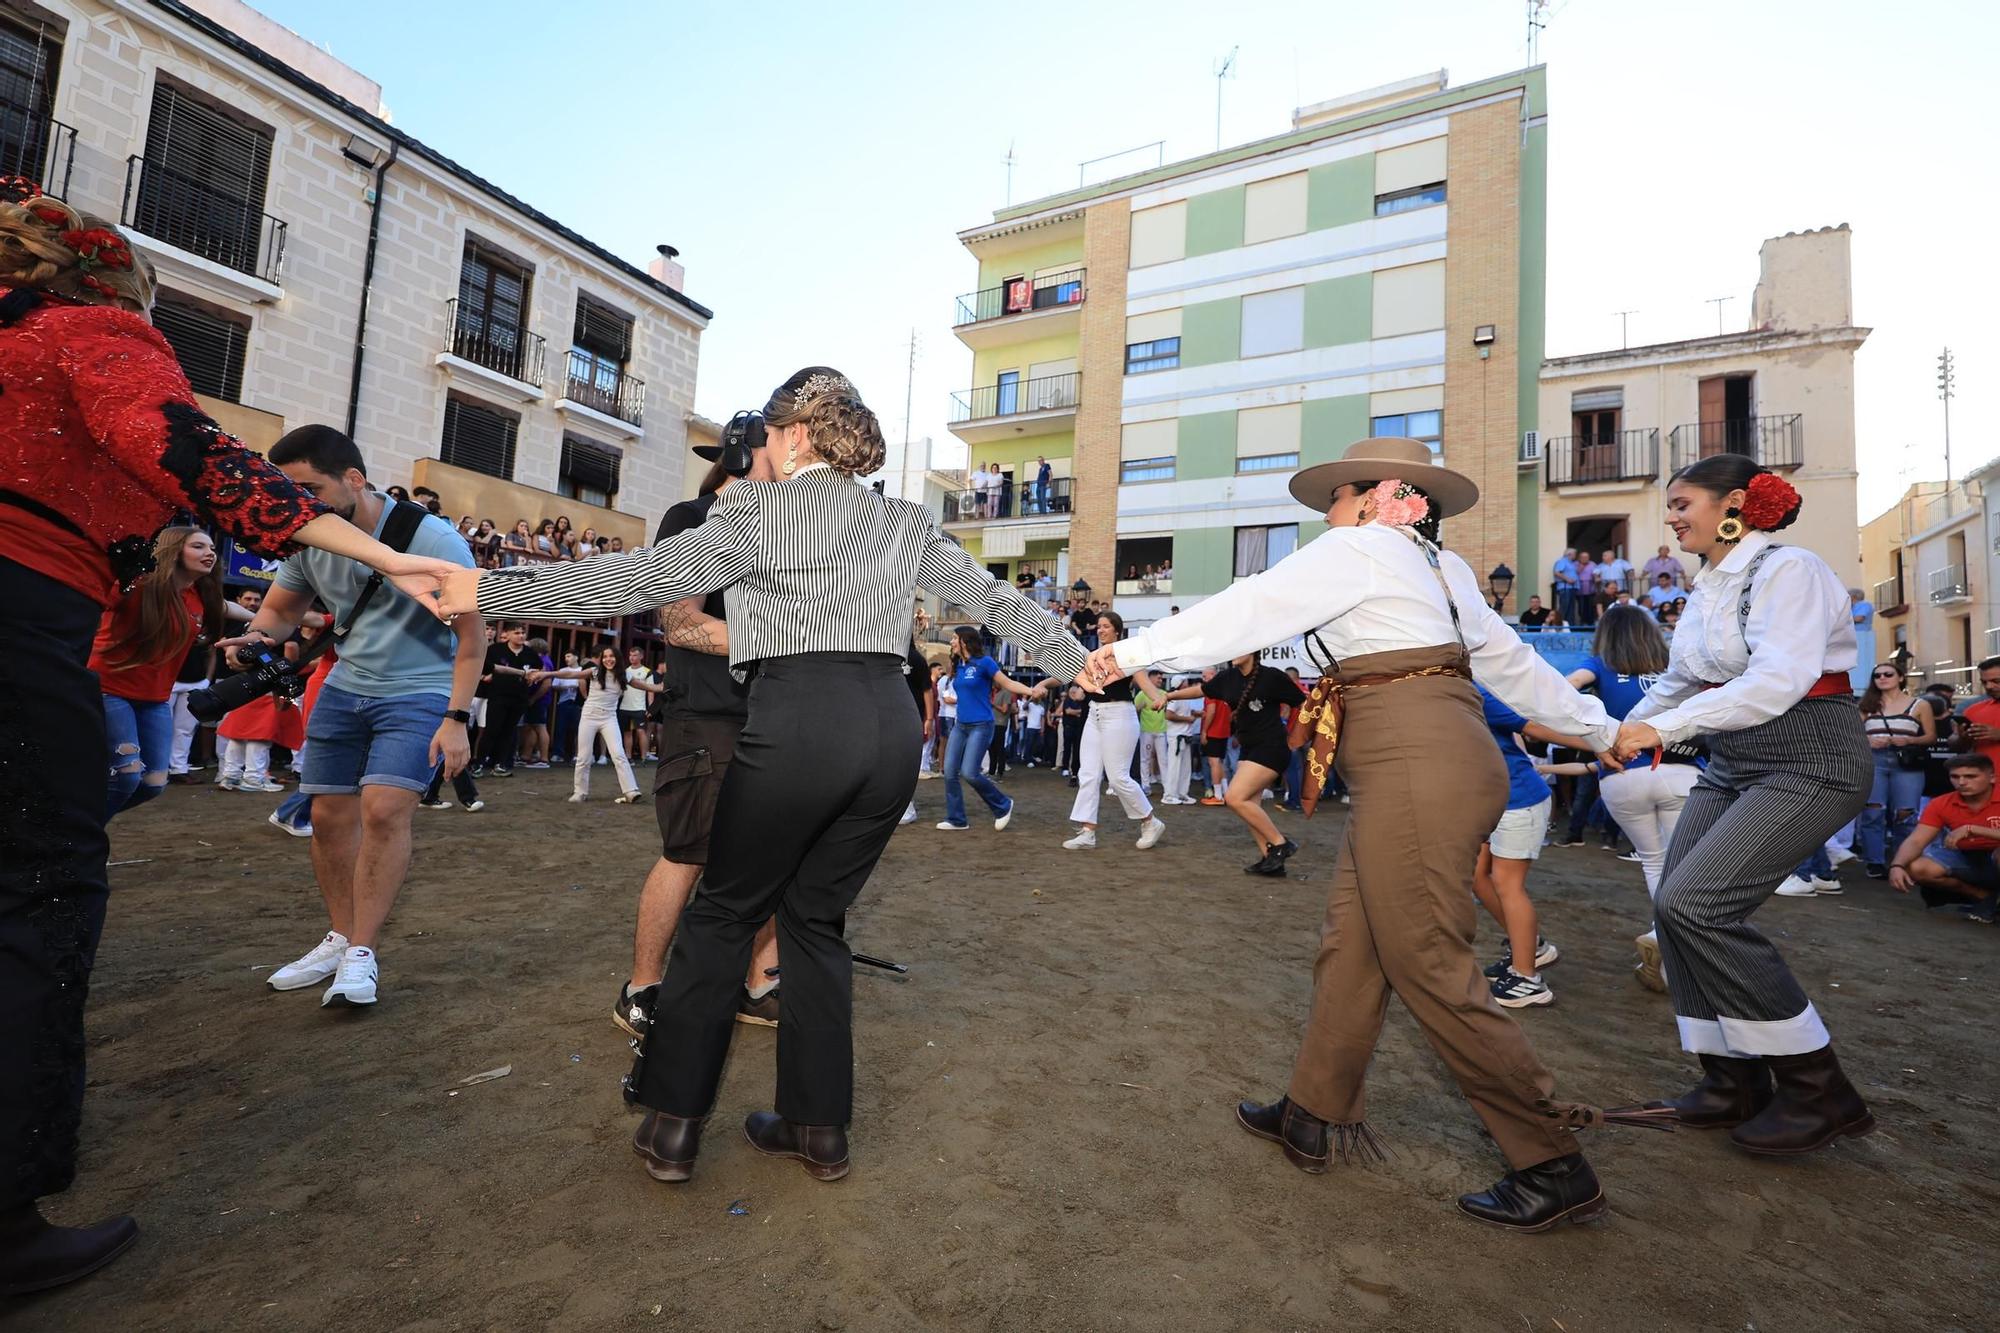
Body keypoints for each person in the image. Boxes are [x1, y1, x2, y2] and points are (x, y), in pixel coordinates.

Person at [425, 366, 1091, 1184]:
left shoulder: (754, 512)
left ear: (796, 436)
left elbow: (636, 579)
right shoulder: (906, 520)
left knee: (724, 914)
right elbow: (994, 601)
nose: (761, 452)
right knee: (815, 922)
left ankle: (673, 1126)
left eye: (770, 437)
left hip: (800, 715)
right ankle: (820, 1131)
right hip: (887, 726)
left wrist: (486, 586)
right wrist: (1079, 659)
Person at [0, 178, 447, 1294]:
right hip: (16, 620)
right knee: (35, 891)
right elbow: (204, 462)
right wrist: (385, 558)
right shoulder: (84, 334)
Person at [1087, 436, 1624, 1232]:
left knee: (1429, 961)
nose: (1326, 513)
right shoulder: (1443, 569)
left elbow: (1252, 604)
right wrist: (1599, 725)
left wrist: (1129, 652)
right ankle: (1313, 1110)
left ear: (1379, 496)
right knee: (1356, 943)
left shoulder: (1363, 547)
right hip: (1436, 753)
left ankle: (1551, 1156)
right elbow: (1512, 666)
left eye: (1337, 496)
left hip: (1413, 758)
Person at [1607, 453, 1874, 1157]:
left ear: (1734, 502)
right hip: (1734, 763)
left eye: (1681, 501)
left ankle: (1822, 1091)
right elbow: (1676, 682)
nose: (1671, 515)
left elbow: (1778, 680)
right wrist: (1611, 732)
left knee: (1699, 903)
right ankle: (1732, 1082)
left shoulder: (1791, 570)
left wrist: (1658, 731)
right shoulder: (1708, 588)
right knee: (1673, 907)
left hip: (1812, 758)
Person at [226, 425, 483, 1016]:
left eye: (308, 487)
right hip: (343, 688)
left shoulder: (436, 539)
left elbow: (472, 638)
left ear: (354, 480)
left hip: (419, 691)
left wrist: (457, 717)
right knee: (326, 817)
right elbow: (281, 611)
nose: (298, 502)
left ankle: (363, 952)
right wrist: (256, 640)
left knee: (386, 809)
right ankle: (341, 937)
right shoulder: (309, 537)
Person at [614, 448, 784, 1041]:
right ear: (747, 456)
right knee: (689, 852)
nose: (795, 459)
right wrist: (785, 638)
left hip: (766, 714)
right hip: (705, 717)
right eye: (783, 446)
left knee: (768, 857)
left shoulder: (786, 526)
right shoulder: (690, 517)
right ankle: (641, 988)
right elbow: (679, 622)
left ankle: (760, 983)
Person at [1568, 606, 1695, 992]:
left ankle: (1665, 943)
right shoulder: (1676, 667)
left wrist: (1594, 733)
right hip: (1682, 771)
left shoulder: (1601, 664)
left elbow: (1563, 687)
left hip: (1623, 774)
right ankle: (1672, 951)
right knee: (1684, 868)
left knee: (1655, 865)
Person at [90, 527, 224, 819]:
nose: (210, 553)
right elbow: (96, 595)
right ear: (175, 550)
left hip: (154, 699)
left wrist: (275, 621)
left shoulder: (196, 597)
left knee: (153, 783)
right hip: (110, 689)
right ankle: (78, 840)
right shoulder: (136, 585)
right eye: (199, 546)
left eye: (212, 548)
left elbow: (230, 609)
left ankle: (79, 831)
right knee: (126, 774)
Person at [1473, 686, 1586, 1008]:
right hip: (1487, 802)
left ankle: (1528, 979)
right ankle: (1532, 946)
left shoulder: (1472, 690)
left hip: (1518, 799)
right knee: (1475, 876)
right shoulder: (1436, 692)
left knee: (1507, 883)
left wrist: (1603, 746)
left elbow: (1531, 728)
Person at [1160, 653, 1304, 871]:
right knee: (1250, 805)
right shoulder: (1229, 677)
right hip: (1248, 747)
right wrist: (1170, 697)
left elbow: (1302, 702)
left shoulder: (1272, 677)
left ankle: (1281, 843)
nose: (1234, 653)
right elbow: (1201, 689)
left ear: (1253, 650)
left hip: (1271, 747)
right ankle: (1271, 860)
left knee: (1234, 797)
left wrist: (1297, 735)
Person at [1061, 613, 1168, 852]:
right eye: (1099, 626)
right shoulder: (1092, 657)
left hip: (1119, 715)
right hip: (1093, 714)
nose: (1100, 630)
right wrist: (1040, 684)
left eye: (1106, 626)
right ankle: (1088, 832)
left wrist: (1156, 697)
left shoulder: (1124, 653)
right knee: (1088, 774)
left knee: (1118, 777)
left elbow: (1142, 679)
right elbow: (1069, 675)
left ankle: (1150, 822)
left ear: (1117, 631)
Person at [936, 625, 1043, 831]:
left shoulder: (985, 663)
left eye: (954, 638)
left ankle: (1003, 805)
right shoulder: (958, 665)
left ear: (965, 641)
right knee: (949, 771)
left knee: (969, 772)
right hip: (961, 725)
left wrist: (1031, 690)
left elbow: (1008, 683)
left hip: (981, 725)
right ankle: (957, 819)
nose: (951, 642)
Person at [1885, 753, 2000, 920]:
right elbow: (1917, 840)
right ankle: (1983, 896)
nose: (1961, 782)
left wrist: (1973, 829)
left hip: (1994, 855)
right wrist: (1897, 865)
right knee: (1916, 867)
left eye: (1970, 776)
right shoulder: (1941, 803)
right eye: (1955, 776)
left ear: (1992, 778)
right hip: (1966, 856)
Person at [1854, 662, 1935, 880]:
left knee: (1906, 813)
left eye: (1888, 674)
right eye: (1877, 675)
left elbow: (1930, 737)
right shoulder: (1867, 705)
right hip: (1875, 760)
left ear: (1900, 677)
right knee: (1872, 812)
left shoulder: (1919, 705)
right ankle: (1875, 862)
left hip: (1906, 762)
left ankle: (1902, 862)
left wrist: (1909, 739)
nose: (1882, 678)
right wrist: (1868, 740)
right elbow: (1854, 735)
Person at [550, 647, 643, 803]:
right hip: (589, 716)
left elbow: (645, 686)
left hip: (609, 718)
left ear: (618, 658)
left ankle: (630, 791)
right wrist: (547, 674)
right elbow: (571, 674)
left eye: (611, 656)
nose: (608, 659)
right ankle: (580, 792)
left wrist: (662, 688)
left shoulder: (625, 675)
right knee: (583, 757)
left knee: (619, 754)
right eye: (605, 656)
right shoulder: (594, 671)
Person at [469, 622, 538, 777]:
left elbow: (539, 669)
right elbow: (483, 668)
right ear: (507, 634)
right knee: (490, 730)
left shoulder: (530, 653)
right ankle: (478, 763)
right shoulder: (495, 650)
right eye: (516, 633)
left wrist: (534, 677)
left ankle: (500, 764)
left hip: (519, 698)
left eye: (523, 633)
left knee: (508, 732)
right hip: (497, 697)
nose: (520, 636)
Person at [619, 646, 663, 763]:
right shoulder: (625, 671)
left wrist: (651, 708)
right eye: (630, 655)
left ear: (641, 656)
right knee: (627, 732)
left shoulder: (647, 672)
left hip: (639, 707)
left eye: (635, 655)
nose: (632, 657)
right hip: (624, 706)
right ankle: (628, 757)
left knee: (640, 731)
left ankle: (644, 757)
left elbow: (651, 691)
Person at [1161, 685, 1202, 804]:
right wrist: (1187, 719)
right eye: (1185, 681)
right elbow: (1168, 714)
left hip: (1185, 736)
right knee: (1174, 767)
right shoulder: (1175, 697)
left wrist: (1196, 713)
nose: (1187, 682)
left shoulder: (1185, 697)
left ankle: (1182, 794)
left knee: (1185, 768)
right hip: (1176, 737)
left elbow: (1185, 711)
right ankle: (1168, 795)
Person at [1135, 673, 1170, 792]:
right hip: (1146, 731)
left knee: (1163, 760)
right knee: (1145, 759)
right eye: (1158, 678)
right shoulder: (1142, 694)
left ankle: (1167, 788)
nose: (1161, 680)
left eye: (1161, 678)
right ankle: (1145, 785)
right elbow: (1135, 708)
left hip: (1161, 731)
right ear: (1150, 678)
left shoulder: (1164, 694)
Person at [1847, 589, 1876, 694]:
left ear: (1853, 597)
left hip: (1861, 635)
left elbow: (1859, 618)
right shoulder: (1852, 607)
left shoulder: (1864, 605)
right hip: (1854, 635)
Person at [1058, 682, 1087, 779]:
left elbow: (1082, 712)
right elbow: (1068, 711)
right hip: (1068, 728)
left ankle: (1074, 770)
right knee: (1066, 748)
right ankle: (1065, 768)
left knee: (1076, 750)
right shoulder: (1067, 701)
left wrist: (1075, 712)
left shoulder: (1081, 702)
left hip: (1078, 728)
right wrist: (1077, 712)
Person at [1552, 548, 1580, 626]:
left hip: (1571, 588)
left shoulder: (1572, 563)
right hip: (1565, 587)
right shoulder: (1562, 561)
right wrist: (1568, 579)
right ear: (1569, 554)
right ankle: (1559, 626)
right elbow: (1557, 572)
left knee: (1571, 610)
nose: (1575, 556)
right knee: (1564, 608)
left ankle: (1569, 627)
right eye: (1575, 554)